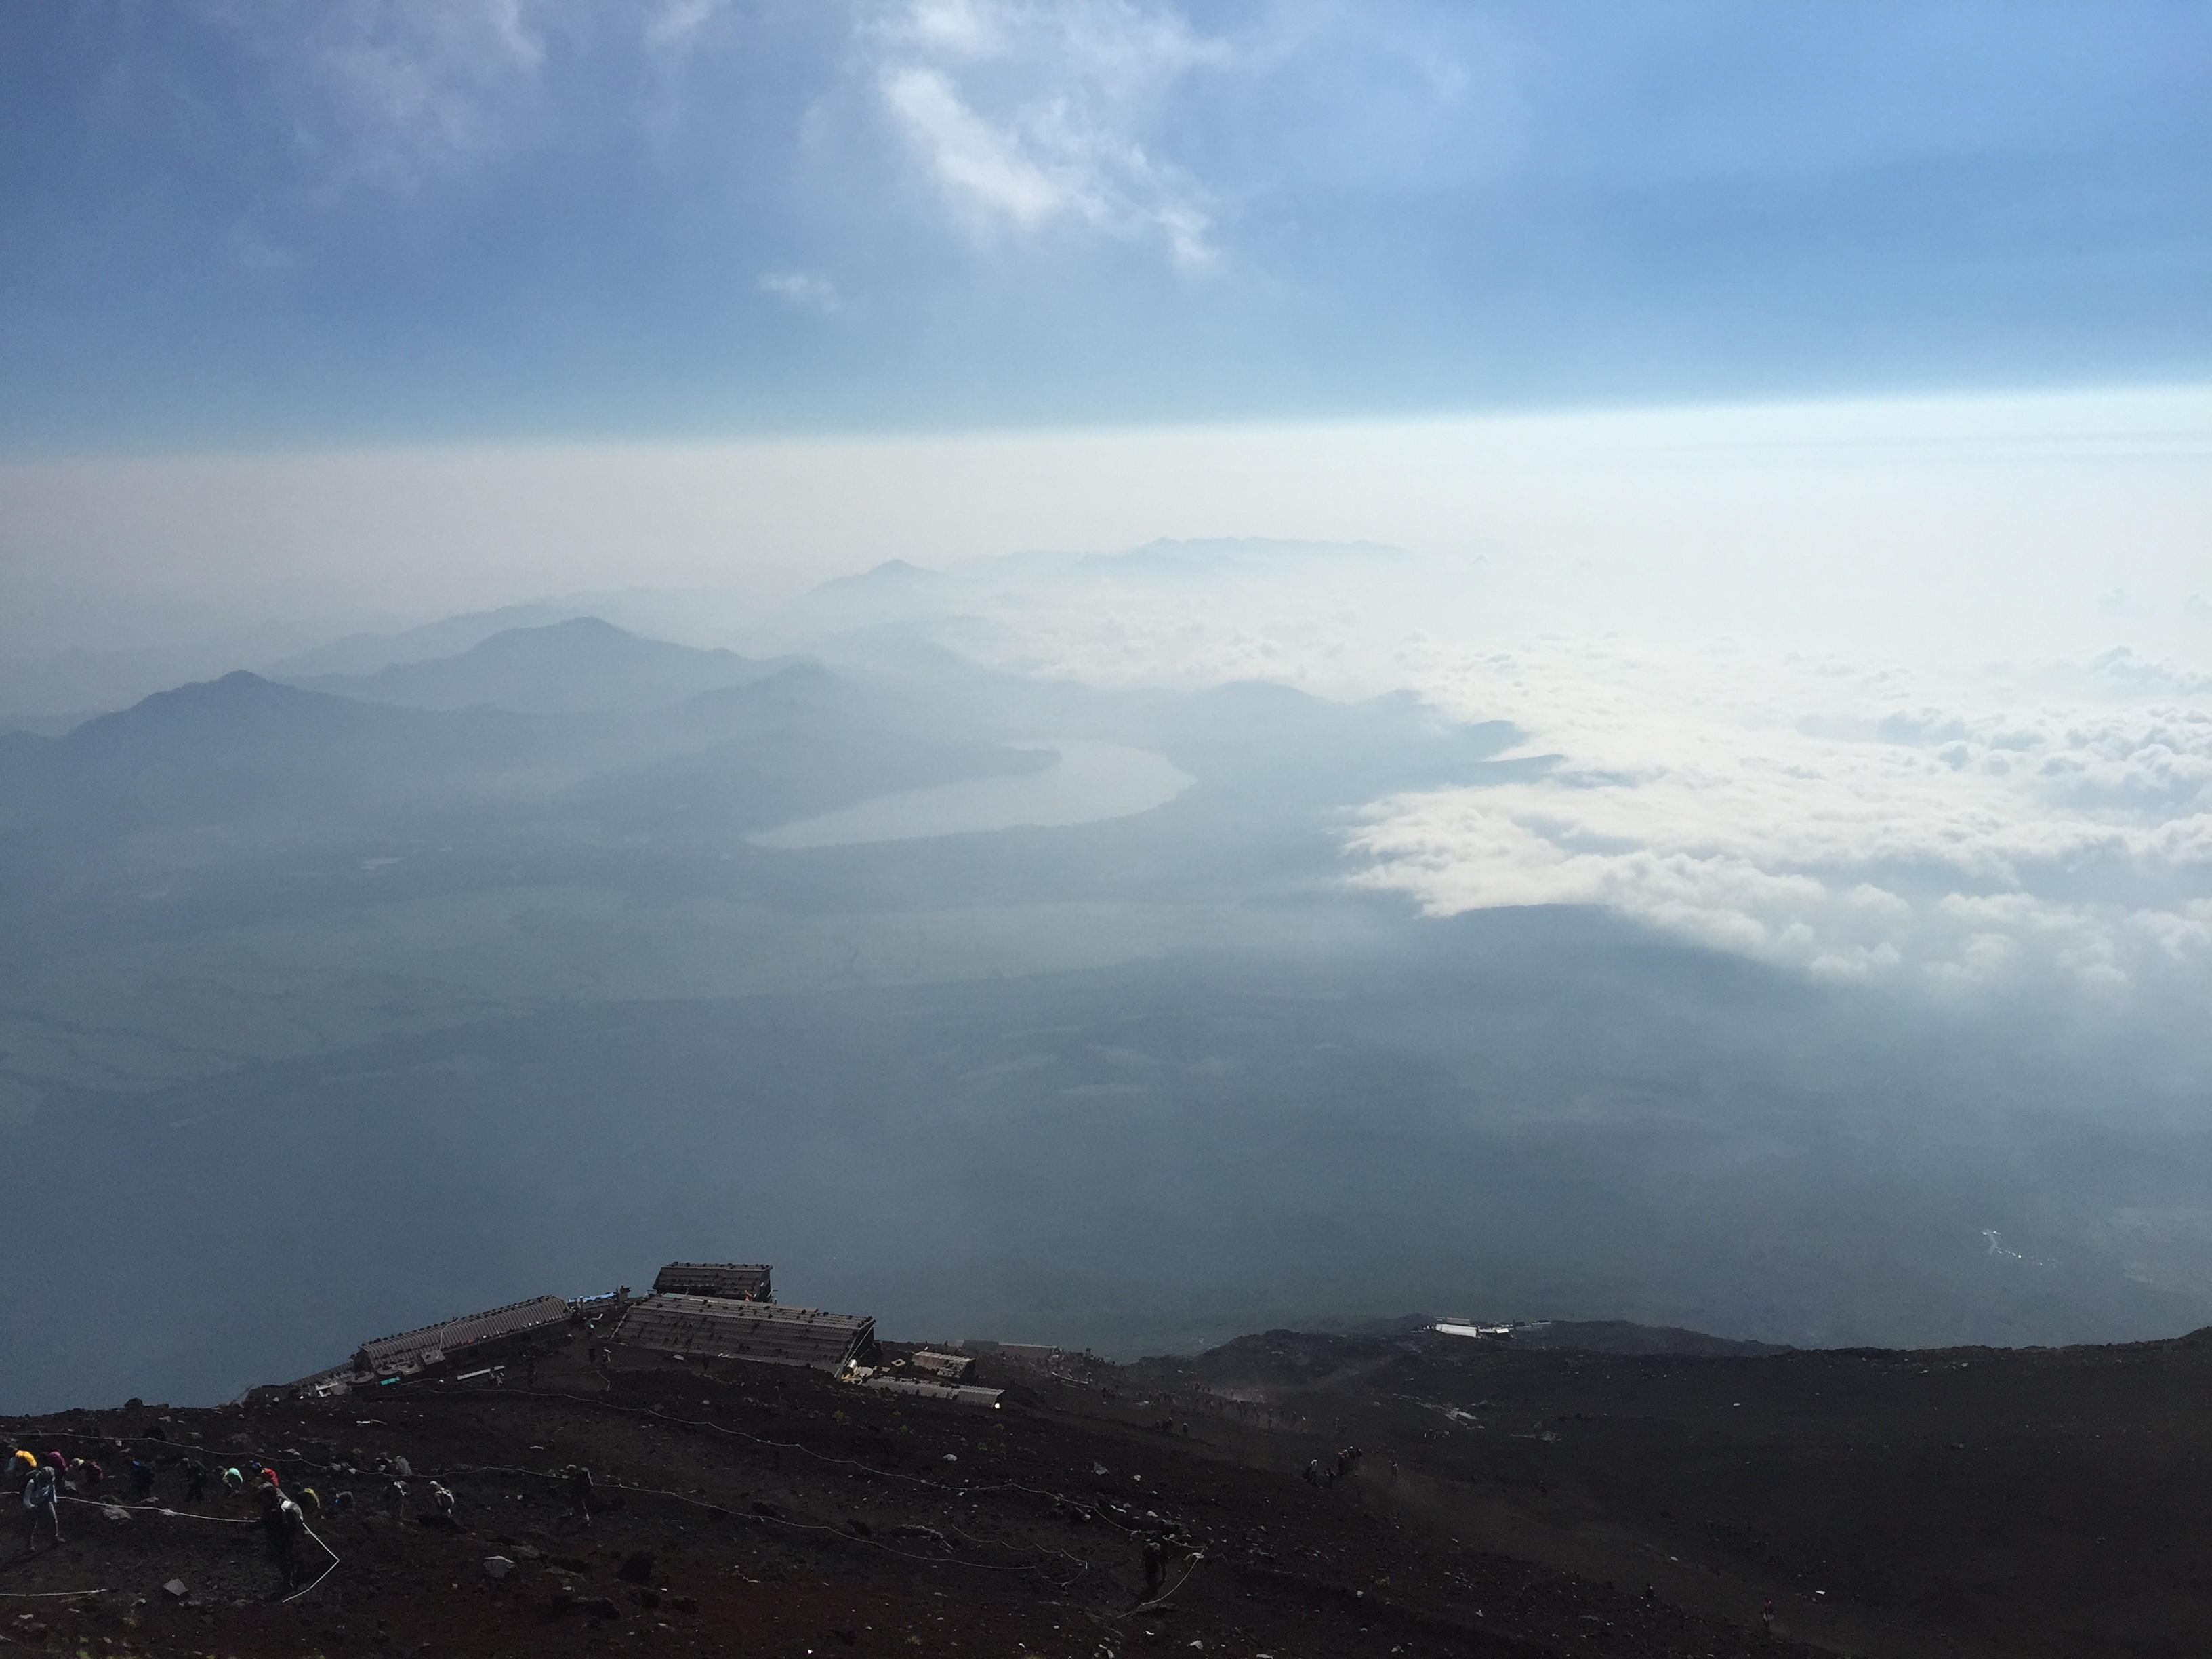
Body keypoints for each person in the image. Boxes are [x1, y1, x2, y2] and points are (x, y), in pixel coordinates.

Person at [23, 1459, 60, 1551]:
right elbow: (26, 1498)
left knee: (53, 1519)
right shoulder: (32, 1483)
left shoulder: (50, 1480)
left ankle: (55, 1539)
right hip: (33, 1504)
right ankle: (29, 1545)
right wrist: (31, 1507)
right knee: (31, 1525)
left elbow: (52, 1489)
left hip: (45, 1501)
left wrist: (54, 1500)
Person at [1141, 1534, 1166, 1599]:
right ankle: (1153, 1587)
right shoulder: (1157, 1547)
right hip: (1154, 1563)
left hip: (1150, 1563)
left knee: (1150, 1575)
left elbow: (1144, 1556)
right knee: (1154, 1575)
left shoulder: (1147, 1548)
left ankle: (1152, 1587)